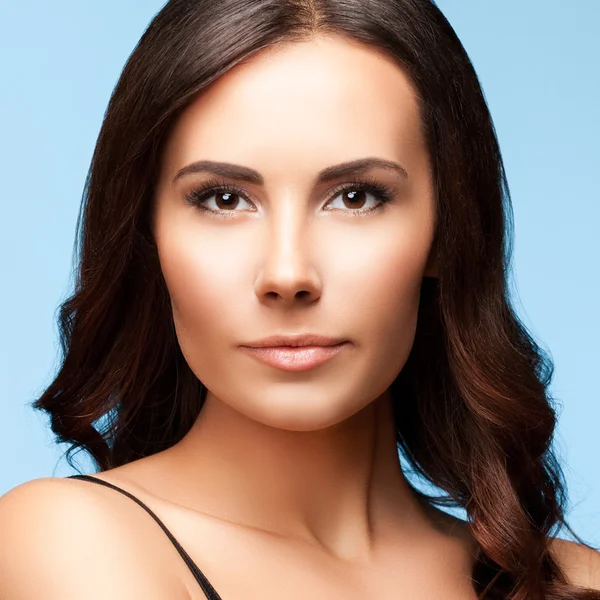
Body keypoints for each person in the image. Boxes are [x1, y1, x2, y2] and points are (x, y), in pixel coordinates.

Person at [1, 0, 599, 598]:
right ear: (147, 235)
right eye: (223, 199)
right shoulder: (69, 540)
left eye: (357, 197)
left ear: (449, 229)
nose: (288, 274)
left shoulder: (573, 581)